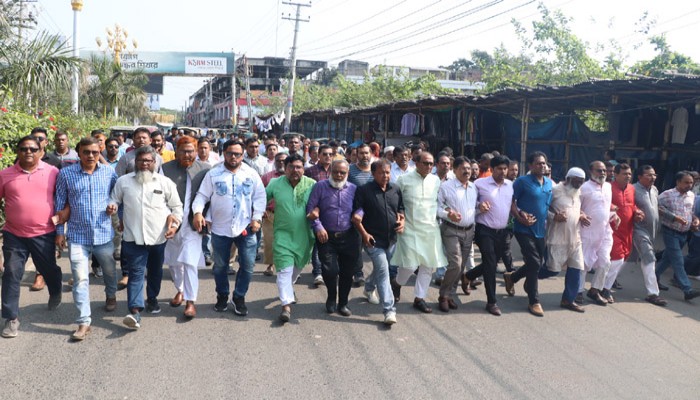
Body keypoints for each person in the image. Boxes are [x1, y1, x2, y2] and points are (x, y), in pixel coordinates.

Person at [108, 146, 183, 330]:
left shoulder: (165, 183)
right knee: (135, 274)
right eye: (141, 161)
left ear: (155, 163)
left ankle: (152, 299)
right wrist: (114, 213)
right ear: (135, 163)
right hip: (132, 238)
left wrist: (174, 227)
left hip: (158, 238)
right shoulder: (123, 182)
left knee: (155, 272)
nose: (144, 164)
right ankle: (135, 312)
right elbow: (113, 201)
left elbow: (177, 208)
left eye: (148, 161)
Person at [192, 140, 265, 316]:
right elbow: (202, 196)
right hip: (219, 229)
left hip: (246, 228)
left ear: (243, 155)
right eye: (230, 153)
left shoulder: (251, 174)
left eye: (238, 154)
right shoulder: (213, 174)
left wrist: (257, 218)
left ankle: (239, 297)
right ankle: (222, 296)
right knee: (220, 267)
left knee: (247, 265)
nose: (234, 157)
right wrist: (197, 213)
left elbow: (260, 197)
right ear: (224, 153)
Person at [54, 137, 118, 340]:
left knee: (109, 271)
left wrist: (112, 204)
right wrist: (59, 232)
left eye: (95, 152)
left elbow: (116, 196)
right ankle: (83, 321)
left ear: (100, 152)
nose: (90, 156)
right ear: (78, 152)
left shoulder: (109, 172)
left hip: (103, 234)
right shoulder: (66, 174)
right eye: (86, 152)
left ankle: (111, 294)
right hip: (77, 236)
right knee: (80, 278)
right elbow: (60, 204)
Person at [0, 136, 63, 338]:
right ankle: (11, 318)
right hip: (13, 234)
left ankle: (55, 288)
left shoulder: (53, 172)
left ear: (41, 152)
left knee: (48, 269)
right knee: (11, 273)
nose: (28, 152)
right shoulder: (5, 175)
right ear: (17, 152)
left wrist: (61, 226)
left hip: (44, 233)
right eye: (24, 149)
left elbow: (63, 199)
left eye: (33, 149)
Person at [392, 152, 447, 313]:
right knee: (409, 265)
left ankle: (419, 298)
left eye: (431, 163)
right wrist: (398, 219)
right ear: (416, 163)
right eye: (425, 163)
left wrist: (448, 213)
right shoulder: (403, 180)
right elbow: (396, 202)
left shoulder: (436, 181)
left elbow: (439, 203)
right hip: (409, 228)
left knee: (427, 266)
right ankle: (396, 283)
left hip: (430, 229)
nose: (429, 166)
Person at [162, 136, 211, 318]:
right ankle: (180, 289)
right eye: (183, 150)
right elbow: (162, 196)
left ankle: (190, 302)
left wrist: (207, 218)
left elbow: (210, 197)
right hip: (172, 222)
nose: (187, 154)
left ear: (197, 151)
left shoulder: (206, 170)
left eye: (191, 151)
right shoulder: (165, 169)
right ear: (176, 150)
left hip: (193, 223)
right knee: (174, 262)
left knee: (190, 262)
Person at [352, 159, 404, 325]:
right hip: (372, 240)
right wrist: (364, 234)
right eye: (381, 172)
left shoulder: (395, 189)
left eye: (387, 172)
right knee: (384, 272)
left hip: (391, 239)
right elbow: (356, 214)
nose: (385, 176)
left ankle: (368, 287)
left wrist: (402, 221)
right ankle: (389, 310)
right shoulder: (364, 191)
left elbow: (401, 209)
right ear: (373, 174)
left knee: (383, 268)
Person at [265, 154, 316, 323]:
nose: (295, 170)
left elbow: (321, 204)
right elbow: (260, 200)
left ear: (303, 169)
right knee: (284, 271)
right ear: (285, 169)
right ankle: (286, 306)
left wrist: (317, 212)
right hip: (282, 234)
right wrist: (258, 214)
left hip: (305, 237)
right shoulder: (275, 184)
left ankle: (288, 288)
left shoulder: (312, 185)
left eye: (299, 167)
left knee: (295, 270)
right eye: (291, 167)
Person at [306, 160, 359, 316]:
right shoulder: (320, 187)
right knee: (330, 271)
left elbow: (361, 207)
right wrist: (318, 227)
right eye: (336, 172)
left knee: (347, 273)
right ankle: (331, 297)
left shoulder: (353, 189)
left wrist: (359, 214)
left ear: (347, 173)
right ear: (330, 172)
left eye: (342, 172)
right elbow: (310, 209)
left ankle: (343, 303)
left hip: (349, 236)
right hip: (326, 237)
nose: (338, 175)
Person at [504, 151, 552, 317]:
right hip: (523, 229)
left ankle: (513, 277)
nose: (542, 166)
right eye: (538, 163)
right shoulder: (522, 182)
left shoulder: (549, 183)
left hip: (540, 230)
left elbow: (548, 205)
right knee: (533, 262)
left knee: (537, 263)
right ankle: (534, 300)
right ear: (530, 166)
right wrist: (519, 217)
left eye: (544, 163)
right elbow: (510, 202)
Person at [464, 155, 514, 316]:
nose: (503, 171)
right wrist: (479, 205)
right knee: (491, 265)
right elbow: (469, 201)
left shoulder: (510, 185)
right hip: (484, 230)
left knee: (491, 262)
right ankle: (491, 302)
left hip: (502, 231)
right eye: (499, 168)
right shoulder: (479, 184)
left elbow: (512, 206)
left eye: (505, 168)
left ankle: (468, 276)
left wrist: (521, 216)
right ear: (492, 169)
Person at [436, 156, 476, 312]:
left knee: (460, 268)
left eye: (469, 168)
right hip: (451, 230)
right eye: (463, 168)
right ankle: (443, 295)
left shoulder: (474, 187)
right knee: (456, 263)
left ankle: (450, 294)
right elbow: (437, 208)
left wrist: (482, 207)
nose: (467, 171)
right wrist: (448, 215)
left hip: (469, 231)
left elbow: (473, 208)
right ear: (454, 170)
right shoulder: (446, 187)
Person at [601, 164, 644, 303]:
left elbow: (632, 205)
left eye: (630, 174)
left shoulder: (631, 189)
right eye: (625, 174)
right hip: (612, 230)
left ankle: (601, 285)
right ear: (616, 175)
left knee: (622, 259)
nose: (628, 176)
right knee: (617, 259)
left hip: (628, 230)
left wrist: (637, 212)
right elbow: (600, 204)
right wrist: (612, 207)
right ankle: (605, 289)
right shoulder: (607, 187)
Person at [546, 167, 587, 312]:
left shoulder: (578, 192)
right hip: (557, 238)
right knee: (552, 271)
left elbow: (574, 209)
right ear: (568, 178)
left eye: (581, 182)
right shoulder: (555, 190)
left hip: (575, 238)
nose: (579, 185)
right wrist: (554, 217)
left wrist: (582, 215)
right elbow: (543, 209)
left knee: (576, 269)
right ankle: (523, 275)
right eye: (577, 182)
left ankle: (568, 300)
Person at [578, 161, 619, 306]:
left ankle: (595, 290)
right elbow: (575, 205)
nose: (602, 173)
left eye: (604, 171)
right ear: (591, 171)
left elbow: (605, 206)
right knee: (583, 264)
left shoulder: (608, 187)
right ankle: (578, 292)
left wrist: (614, 215)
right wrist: (581, 214)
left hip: (605, 231)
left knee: (605, 262)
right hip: (587, 231)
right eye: (599, 170)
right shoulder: (584, 187)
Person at [626, 165, 667, 306]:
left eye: (654, 175)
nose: (653, 177)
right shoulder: (632, 189)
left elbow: (658, 208)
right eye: (649, 175)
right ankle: (653, 293)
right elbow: (627, 205)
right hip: (638, 229)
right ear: (639, 177)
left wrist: (673, 217)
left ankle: (604, 284)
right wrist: (635, 212)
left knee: (625, 258)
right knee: (649, 257)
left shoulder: (655, 190)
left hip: (652, 231)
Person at [656, 171, 700, 300]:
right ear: (678, 182)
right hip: (670, 231)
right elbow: (657, 208)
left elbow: (690, 212)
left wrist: (695, 220)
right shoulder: (667, 195)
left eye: (691, 183)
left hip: (684, 233)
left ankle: (653, 278)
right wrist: (675, 218)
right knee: (678, 260)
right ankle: (687, 289)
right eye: (686, 182)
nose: (689, 185)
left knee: (667, 259)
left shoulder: (691, 196)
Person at [304, 144, 334, 286]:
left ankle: (328, 269)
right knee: (317, 242)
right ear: (318, 155)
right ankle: (318, 272)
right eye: (324, 154)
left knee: (330, 242)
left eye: (330, 154)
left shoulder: (336, 170)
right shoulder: (310, 171)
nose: (327, 156)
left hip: (332, 211)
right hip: (316, 210)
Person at [347, 143, 373, 285]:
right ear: (356, 155)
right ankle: (358, 273)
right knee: (356, 244)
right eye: (361, 153)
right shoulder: (350, 170)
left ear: (371, 154)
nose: (364, 156)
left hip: (373, 213)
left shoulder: (376, 170)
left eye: (366, 153)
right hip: (354, 213)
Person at [261, 153, 288, 276]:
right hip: (269, 214)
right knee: (270, 241)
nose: (281, 163)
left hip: (288, 216)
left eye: (284, 160)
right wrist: (261, 209)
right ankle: (270, 265)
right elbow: (259, 195)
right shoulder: (267, 177)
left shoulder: (293, 177)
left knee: (286, 242)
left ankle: (285, 266)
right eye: (278, 161)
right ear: (274, 162)